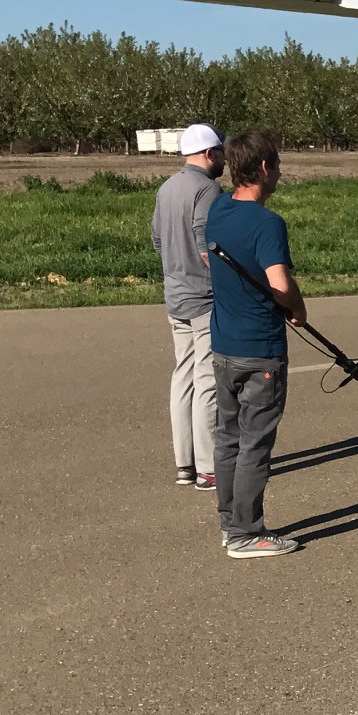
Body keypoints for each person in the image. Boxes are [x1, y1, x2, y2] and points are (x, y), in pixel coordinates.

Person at [206, 128, 307, 558]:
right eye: (278, 165)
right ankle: (247, 532)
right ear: (265, 168)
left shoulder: (218, 210)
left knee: (227, 437)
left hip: (223, 344)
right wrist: (297, 307)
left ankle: (230, 521)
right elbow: (279, 282)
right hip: (260, 347)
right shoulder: (268, 223)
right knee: (255, 442)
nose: (280, 173)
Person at [151, 122, 224, 492]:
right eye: (221, 151)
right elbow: (206, 244)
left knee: (183, 377)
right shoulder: (208, 189)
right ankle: (209, 469)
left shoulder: (167, 187)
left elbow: (157, 240)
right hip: (204, 299)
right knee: (207, 380)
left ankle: (185, 463)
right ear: (210, 153)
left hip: (174, 296)